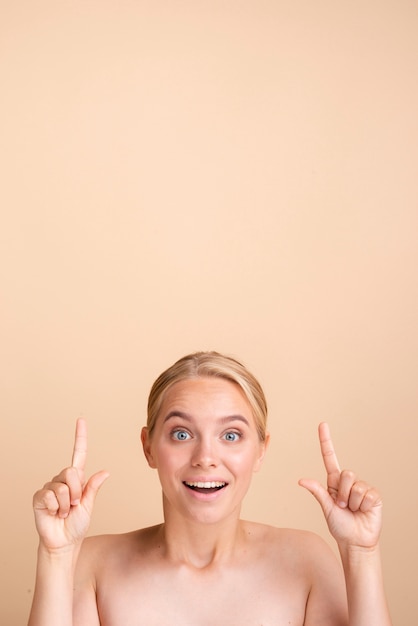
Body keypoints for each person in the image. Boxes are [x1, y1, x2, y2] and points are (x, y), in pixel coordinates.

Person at [28, 351, 392, 626]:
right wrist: (56, 557)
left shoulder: (307, 561)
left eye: (231, 435)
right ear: (149, 447)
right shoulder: (92, 565)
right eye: (182, 434)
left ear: (260, 451)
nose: (206, 457)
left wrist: (362, 552)